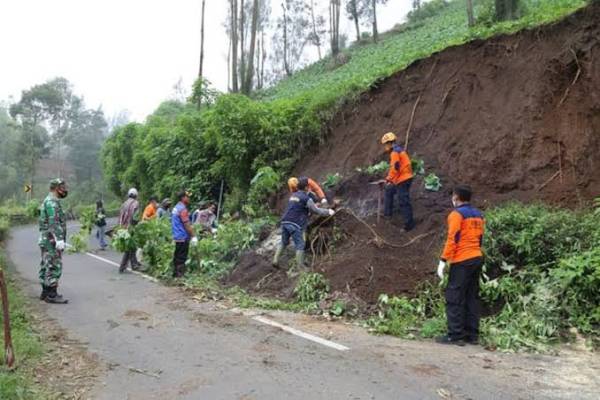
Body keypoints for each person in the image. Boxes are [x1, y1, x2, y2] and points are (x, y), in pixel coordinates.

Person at [435, 185, 485, 346]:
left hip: (462, 260)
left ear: (456, 197)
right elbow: (480, 239)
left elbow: (453, 238)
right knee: (472, 296)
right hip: (477, 257)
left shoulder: (456, 215)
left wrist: (443, 260)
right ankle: (472, 335)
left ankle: (455, 335)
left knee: (454, 296)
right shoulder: (479, 215)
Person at [273, 177, 335, 269]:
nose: (309, 188)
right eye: (308, 187)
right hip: (295, 224)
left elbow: (299, 207)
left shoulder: (293, 196)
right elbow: (316, 210)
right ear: (306, 187)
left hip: (285, 221)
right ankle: (301, 267)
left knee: (284, 242)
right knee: (300, 245)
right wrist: (328, 212)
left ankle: (275, 260)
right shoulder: (307, 198)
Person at [38, 178, 69, 304]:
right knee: (53, 265)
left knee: (46, 264)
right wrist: (59, 240)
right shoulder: (52, 202)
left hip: (47, 239)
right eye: (62, 186)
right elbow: (54, 223)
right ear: (56, 188)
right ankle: (52, 294)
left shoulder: (49, 200)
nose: (65, 189)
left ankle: (45, 291)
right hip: (51, 240)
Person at [380, 132, 415, 231]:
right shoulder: (399, 150)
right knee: (389, 190)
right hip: (403, 178)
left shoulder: (395, 152)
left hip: (403, 179)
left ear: (389, 143)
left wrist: (388, 179)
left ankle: (409, 225)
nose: (385, 147)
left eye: (385, 144)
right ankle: (387, 214)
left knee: (404, 201)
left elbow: (395, 168)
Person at [171, 191, 198, 278]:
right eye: (187, 197)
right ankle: (180, 276)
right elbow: (186, 224)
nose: (189, 199)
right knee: (182, 257)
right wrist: (193, 236)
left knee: (177, 255)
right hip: (183, 236)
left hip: (177, 236)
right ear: (183, 198)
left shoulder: (176, 207)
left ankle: (175, 274)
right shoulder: (183, 209)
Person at [118, 188, 141, 273]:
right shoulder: (135, 203)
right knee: (131, 247)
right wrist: (137, 225)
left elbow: (120, 216)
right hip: (131, 227)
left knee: (130, 246)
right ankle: (127, 265)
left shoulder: (124, 204)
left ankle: (131, 265)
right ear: (135, 195)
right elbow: (135, 217)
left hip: (123, 228)